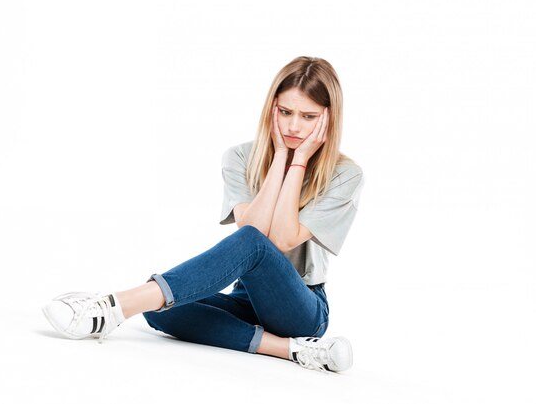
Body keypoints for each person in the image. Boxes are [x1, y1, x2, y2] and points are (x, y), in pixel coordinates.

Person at [42, 56, 365, 373]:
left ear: (328, 118)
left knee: (241, 248)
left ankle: (110, 308)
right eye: (285, 112)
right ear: (271, 109)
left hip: (301, 307)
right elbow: (251, 225)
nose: (294, 126)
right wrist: (279, 154)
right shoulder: (240, 157)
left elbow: (277, 239)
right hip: (245, 297)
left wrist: (297, 160)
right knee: (158, 311)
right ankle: (294, 349)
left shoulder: (344, 174)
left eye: (308, 117)